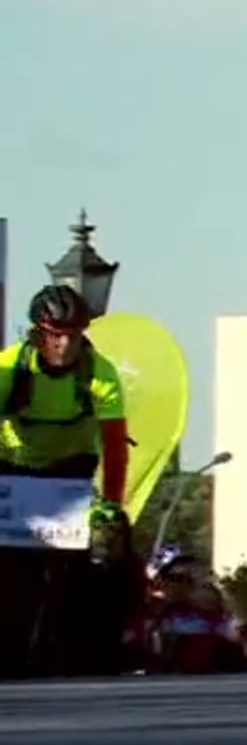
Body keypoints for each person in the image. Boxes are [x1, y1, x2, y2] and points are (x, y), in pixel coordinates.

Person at [1, 286, 135, 673]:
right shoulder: (10, 365)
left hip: (70, 469)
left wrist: (111, 503)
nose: (64, 345)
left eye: (73, 336)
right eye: (55, 336)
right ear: (38, 333)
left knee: (73, 569)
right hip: (16, 466)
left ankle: (67, 650)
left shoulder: (100, 373)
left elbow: (115, 447)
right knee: (13, 571)